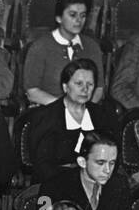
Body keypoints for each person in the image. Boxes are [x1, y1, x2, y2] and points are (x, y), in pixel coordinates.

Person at [28, 57, 119, 186]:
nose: (85, 89)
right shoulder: (46, 116)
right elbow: (42, 165)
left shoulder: (104, 116)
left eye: (90, 84)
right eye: (79, 84)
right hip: (55, 183)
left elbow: (115, 156)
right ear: (65, 87)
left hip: (97, 182)